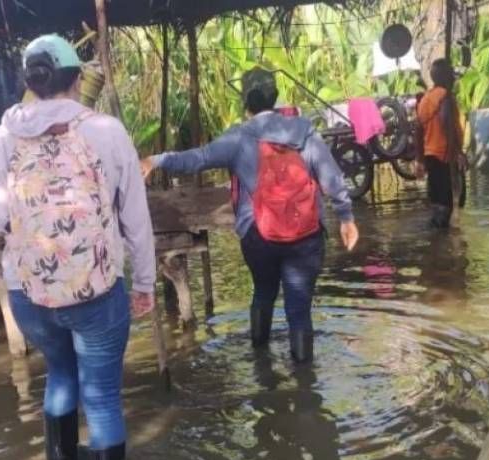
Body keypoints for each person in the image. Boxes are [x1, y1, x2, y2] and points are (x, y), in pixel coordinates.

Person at [0, 34, 156, 460]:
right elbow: (135, 219)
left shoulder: (4, 136)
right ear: (78, 79)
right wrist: (144, 283)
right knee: (101, 397)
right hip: (96, 289)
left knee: (60, 374)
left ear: (30, 82)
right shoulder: (107, 131)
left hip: (29, 294)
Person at [141, 68, 360, 364]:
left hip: (258, 237)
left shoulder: (238, 138)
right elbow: (332, 179)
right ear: (275, 97)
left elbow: (197, 159)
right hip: (306, 236)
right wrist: (346, 217)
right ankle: (304, 383)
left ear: (246, 102)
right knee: (299, 309)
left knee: (264, 292)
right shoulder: (304, 131)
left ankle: (260, 359)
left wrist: (158, 159)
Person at [414, 59, 467, 229]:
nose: (454, 78)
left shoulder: (425, 100)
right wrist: (458, 152)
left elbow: (418, 129)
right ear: (446, 77)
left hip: (431, 156)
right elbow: (446, 123)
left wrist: (420, 159)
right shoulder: (445, 97)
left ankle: (436, 244)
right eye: (451, 74)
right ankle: (440, 240)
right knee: (448, 204)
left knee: (438, 202)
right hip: (445, 156)